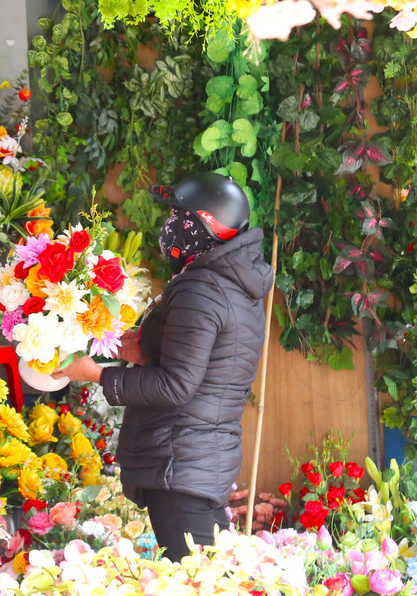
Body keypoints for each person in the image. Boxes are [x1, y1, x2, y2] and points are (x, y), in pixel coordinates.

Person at [60, 172, 273, 560]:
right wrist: (142, 353)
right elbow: (212, 372)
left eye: (180, 215)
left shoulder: (202, 287)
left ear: (205, 224)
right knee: (205, 586)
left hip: (181, 461)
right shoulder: (234, 287)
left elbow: (176, 386)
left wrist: (95, 374)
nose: (171, 224)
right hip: (199, 459)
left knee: (196, 595)